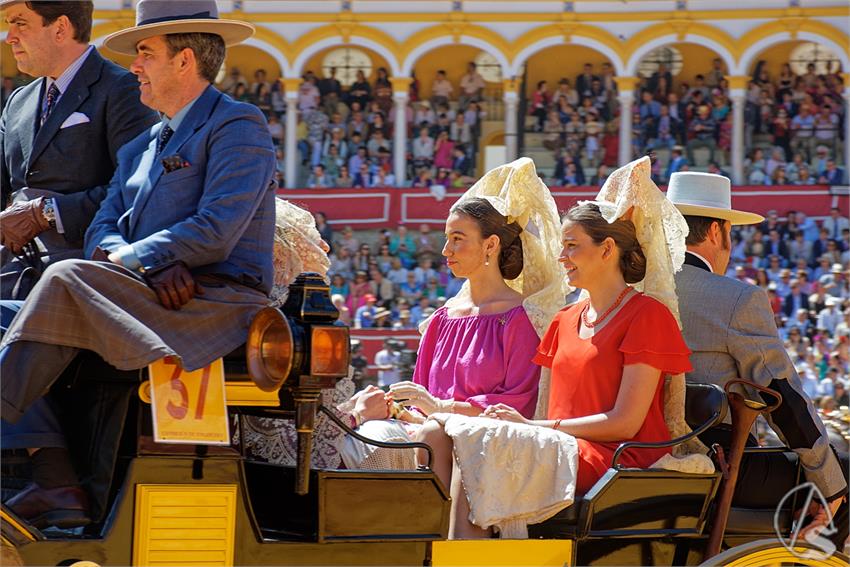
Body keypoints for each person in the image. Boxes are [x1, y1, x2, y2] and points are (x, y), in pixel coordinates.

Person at [0, 0, 275, 529]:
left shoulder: (239, 124)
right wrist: (134, 260)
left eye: (145, 53)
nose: (134, 67)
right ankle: (54, 480)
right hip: (150, 294)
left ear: (185, 60)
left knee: (62, 275)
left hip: (214, 302)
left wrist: (133, 261)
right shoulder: (144, 145)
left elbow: (217, 228)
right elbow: (104, 224)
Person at [416, 156, 695, 539]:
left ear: (607, 249)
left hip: (615, 456)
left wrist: (533, 426)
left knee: (475, 440)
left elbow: (627, 423)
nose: (560, 258)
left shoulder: (647, 315)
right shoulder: (565, 319)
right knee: (451, 434)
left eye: (571, 247)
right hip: (561, 446)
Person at [342, 158, 568, 470]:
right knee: (363, 432)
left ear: (490, 245)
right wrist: (394, 407)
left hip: (483, 452)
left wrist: (441, 407)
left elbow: (518, 405)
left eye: (458, 239)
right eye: (447, 238)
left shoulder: (520, 319)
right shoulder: (441, 320)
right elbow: (420, 403)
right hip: (429, 440)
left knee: (377, 441)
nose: (446, 250)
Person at [666, 171, 848, 540]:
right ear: (718, 232)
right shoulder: (736, 299)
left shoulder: (634, 290)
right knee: (844, 474)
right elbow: (783, 397)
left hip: (644, 456)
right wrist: (830, 484)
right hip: (720, 463)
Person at [0, 0, 156, 302]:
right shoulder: (18, 101)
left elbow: (134, 191)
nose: (10, 37)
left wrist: (45, 213)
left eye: (20, 23)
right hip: (12, 268)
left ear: (60, 28)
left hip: (81, 273)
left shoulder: (123, 89)